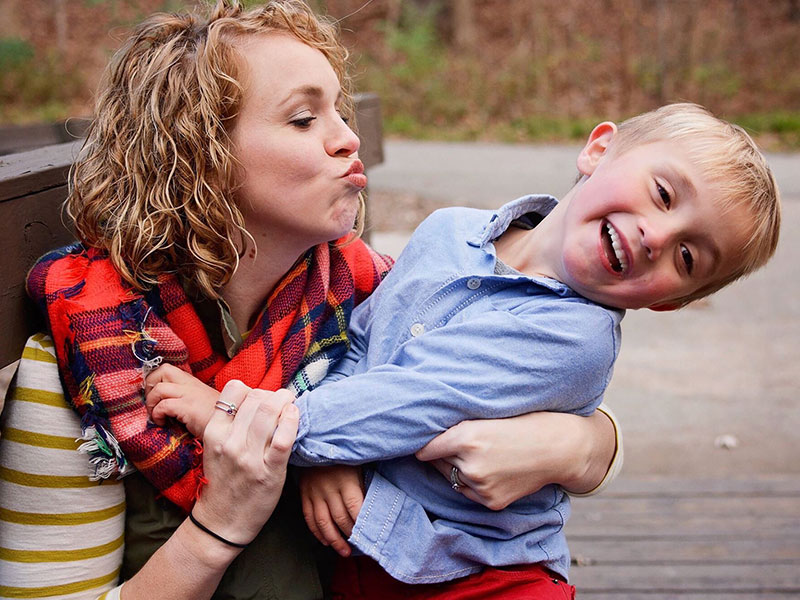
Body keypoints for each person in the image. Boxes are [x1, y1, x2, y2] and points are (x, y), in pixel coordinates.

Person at [0, 1, 620, 599]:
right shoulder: (91, 351)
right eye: (304, 119)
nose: (348, 139)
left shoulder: (371, 298)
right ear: (198, 157)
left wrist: (583, 446)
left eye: (341, 113)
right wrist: (219, 529)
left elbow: (533, 372)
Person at [148, 102, 781, 599]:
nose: (656, 235)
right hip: (359, 553)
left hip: (477, 577)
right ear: (599, 148)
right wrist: (320, 456)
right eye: (665, 194)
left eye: (688, 257)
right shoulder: (450, 230)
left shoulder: (575, 339)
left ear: (668, 303)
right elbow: (358, 344)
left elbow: (414, 401)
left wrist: (233, 416)